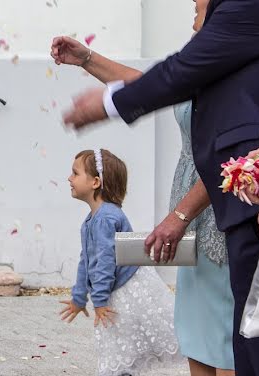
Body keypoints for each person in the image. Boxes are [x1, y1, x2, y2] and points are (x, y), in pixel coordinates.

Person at [62, 0, 259, 374]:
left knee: (255, 332)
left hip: (251, 191)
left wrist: (109, 104)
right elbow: (180, 77)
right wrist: (93, 65)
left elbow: (184, 71)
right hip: (240, 195)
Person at [51, 0, 235, 375]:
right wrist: (87, 59)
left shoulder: (230, 59)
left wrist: (179, 217)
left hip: (217, 209)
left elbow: (224, 159)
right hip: (192, 213)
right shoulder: (204, 57)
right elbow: (152, 83)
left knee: (225, 337)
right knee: (198, 335)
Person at [59, 149, 180, 376]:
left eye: (75, 173)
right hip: (117, 290)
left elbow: (105, 261)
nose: (69, 178)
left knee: (119, 351)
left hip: (126, 291)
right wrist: (78, 297)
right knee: (119, 350)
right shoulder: (92, 219)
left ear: (95, 182)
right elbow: (86, 260)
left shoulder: (106, 217)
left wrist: (100, 299)